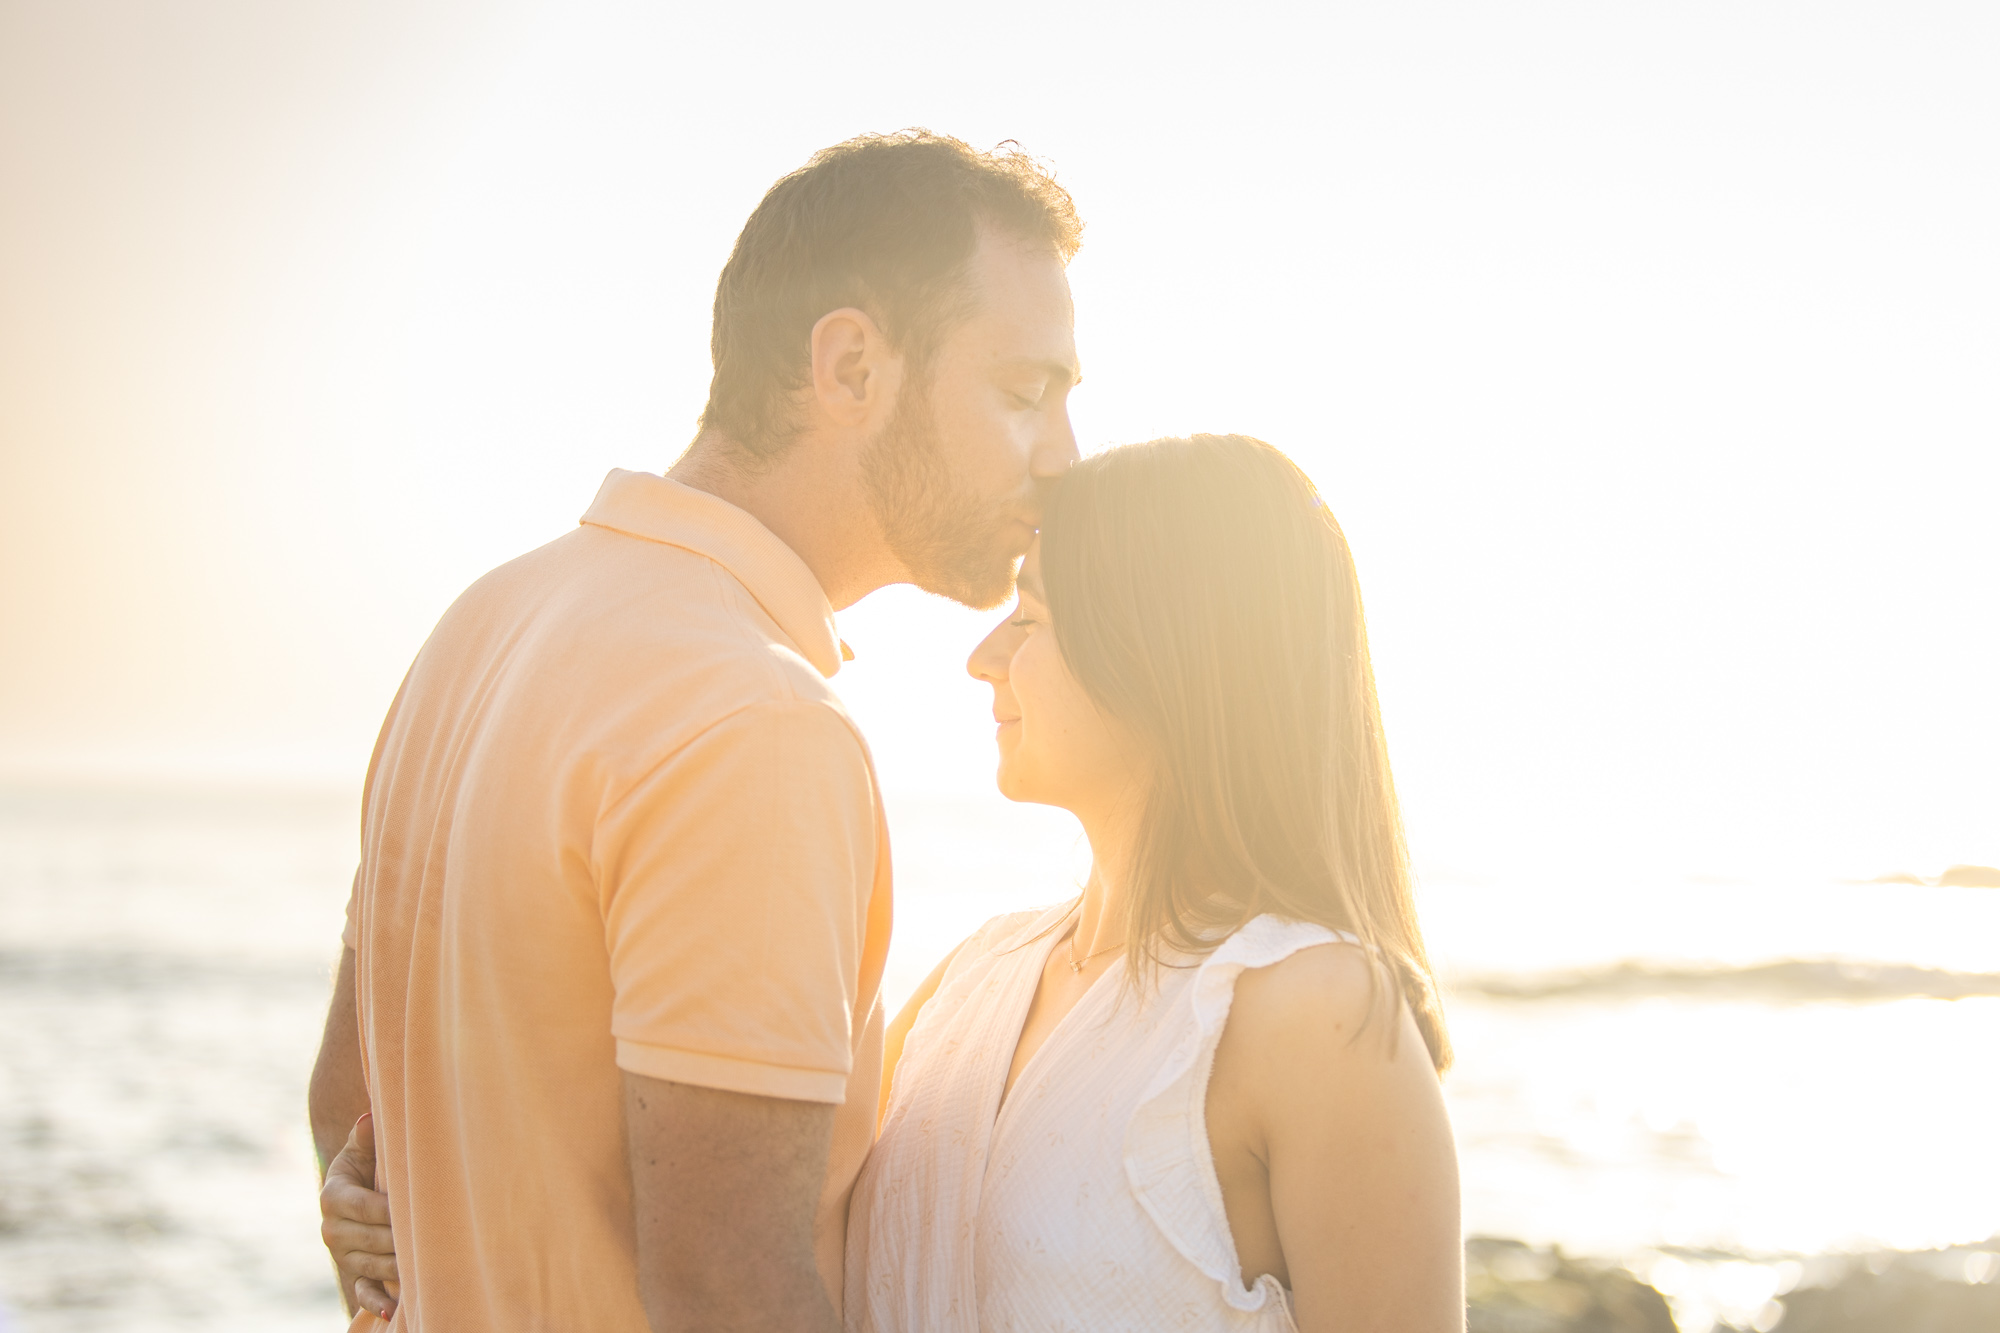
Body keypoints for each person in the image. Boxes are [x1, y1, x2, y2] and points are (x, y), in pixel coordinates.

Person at [326, 434, 1465, 1331]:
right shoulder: (972, 982)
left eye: (1030, 616)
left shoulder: (1314, 1016)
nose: (983, 655)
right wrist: (404, 1201)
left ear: (1168, 657)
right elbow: (730, 1225)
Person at [306, 129, 1083, 1331]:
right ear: (848, 366)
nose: (1061, 456)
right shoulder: (755, 723)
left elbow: (347, 1106)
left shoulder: (479, 625)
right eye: (1024, 392)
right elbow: (730, 1293)